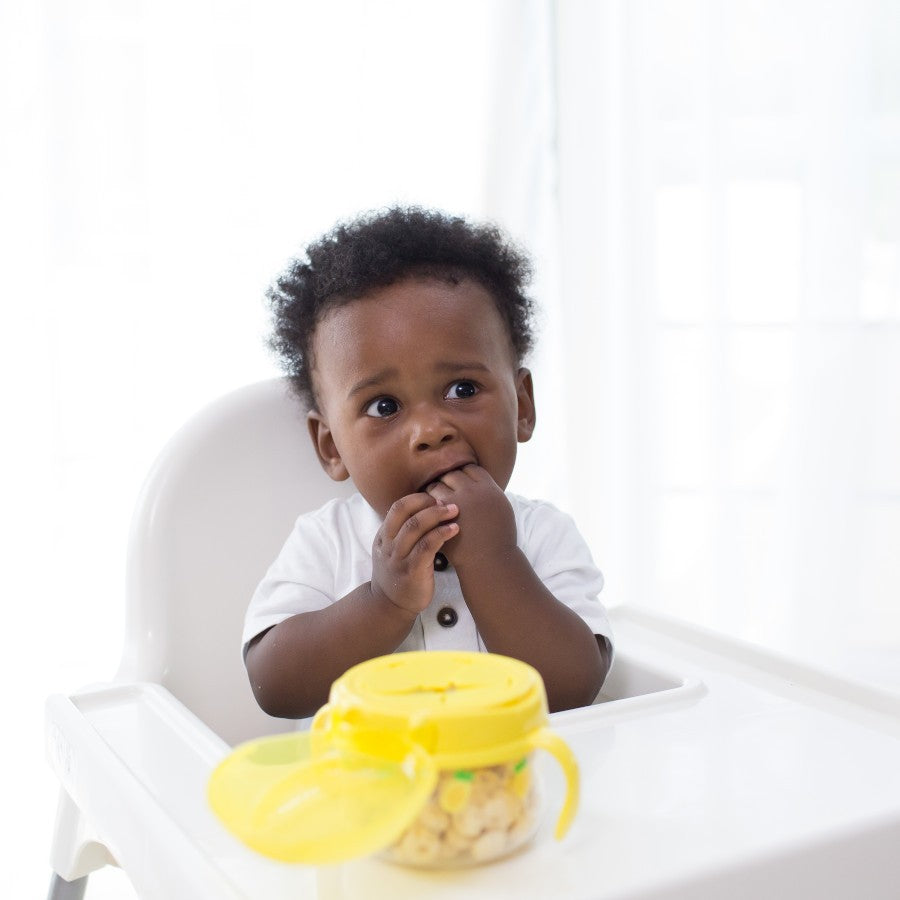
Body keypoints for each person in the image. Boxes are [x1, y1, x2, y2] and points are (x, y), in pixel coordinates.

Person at [243, 207, 613, 719]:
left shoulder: (543, 535)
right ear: (331, 446)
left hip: (511, 794)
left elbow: (573, 689)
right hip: (372, 795)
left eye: (462, 390)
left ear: (522, 407)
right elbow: (274, 686)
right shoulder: (327, 542)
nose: (430, 430)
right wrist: (383, 602)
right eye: (385, 407)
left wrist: (493, 559)